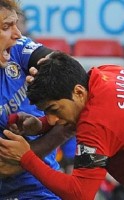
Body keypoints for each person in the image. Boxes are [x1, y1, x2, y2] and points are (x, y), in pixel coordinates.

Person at [0, 51, 124, 200]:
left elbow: (79, 193)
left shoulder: (96, 123)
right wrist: (41, 125)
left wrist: (25, 157)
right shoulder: (107, 73)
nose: (52, 119)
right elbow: (103, 118)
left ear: (78, 92)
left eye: (54, 109)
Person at [0, 1, 70, 199]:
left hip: (37, 189)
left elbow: (69, 75)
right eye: (6, 27)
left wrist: (41, 127)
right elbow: (4, 167)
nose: (18, 34)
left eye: (15, 24)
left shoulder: (19, 50)